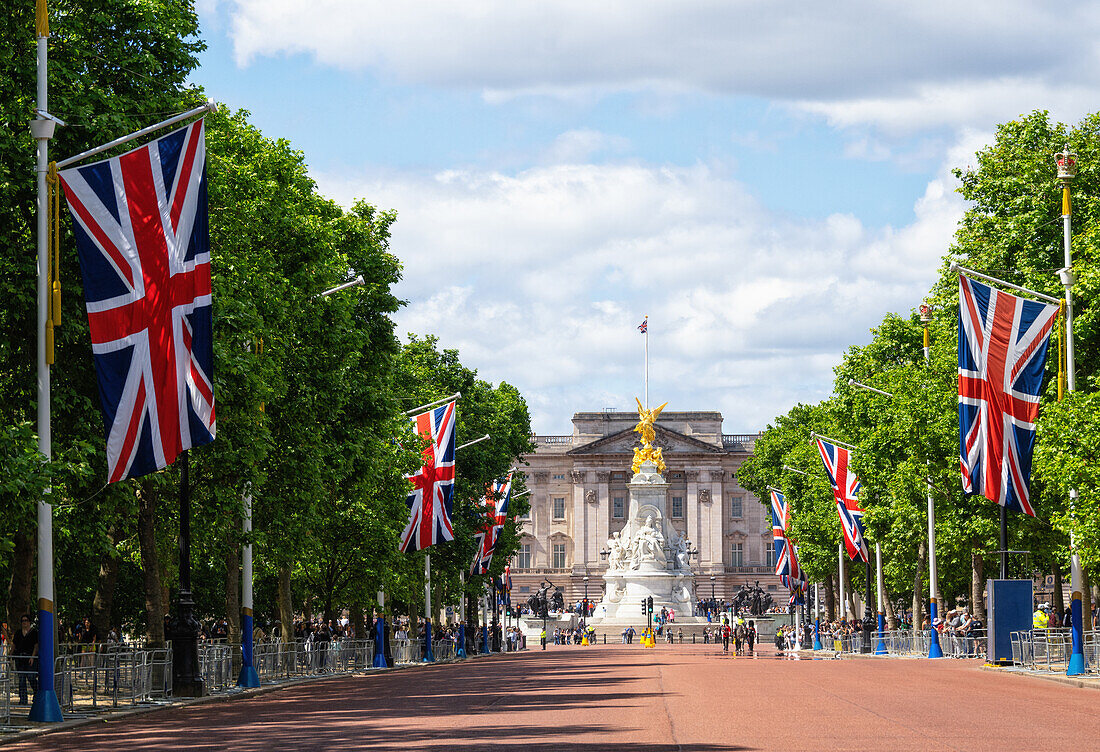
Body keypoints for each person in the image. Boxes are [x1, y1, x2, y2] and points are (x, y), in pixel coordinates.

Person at [13, 614, 38, 705]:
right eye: (23, 621)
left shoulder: (34, 632)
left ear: (29, 622)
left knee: (31, 677)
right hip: (20, 659)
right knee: (21, 679)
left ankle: (37, 693)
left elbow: (36, 646)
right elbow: (14, 644)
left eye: (26, 620)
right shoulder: (18, 633)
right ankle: (23, 699)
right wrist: (10, 655)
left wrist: (32, 657)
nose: (24, 622)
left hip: (30, 658)